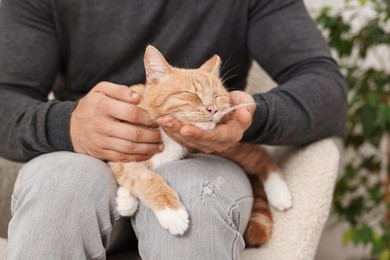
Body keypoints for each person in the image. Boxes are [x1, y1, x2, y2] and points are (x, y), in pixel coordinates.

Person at [0, 0, 347, 259]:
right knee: (61, 188)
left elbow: (327, 90)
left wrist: (243, 117)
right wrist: (68, 124)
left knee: (195, 194)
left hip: (208, 153)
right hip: (84, 153)